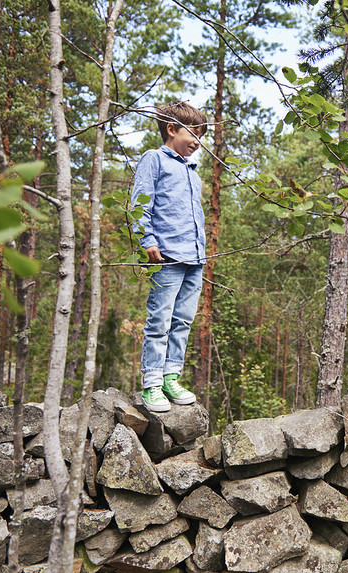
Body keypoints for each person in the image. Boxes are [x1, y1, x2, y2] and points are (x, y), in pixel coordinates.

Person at [131, 100, 208, 413]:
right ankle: (151, 382)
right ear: (172, 129)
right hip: (166, 258)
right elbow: (140, 203)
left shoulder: (194, 173)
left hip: (194, 259)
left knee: (183, 321)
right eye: (193, 133)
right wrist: (146, 239)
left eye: (202, 135)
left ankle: (170, 377)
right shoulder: (154, 159)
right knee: (160, 319)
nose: (198, 141)